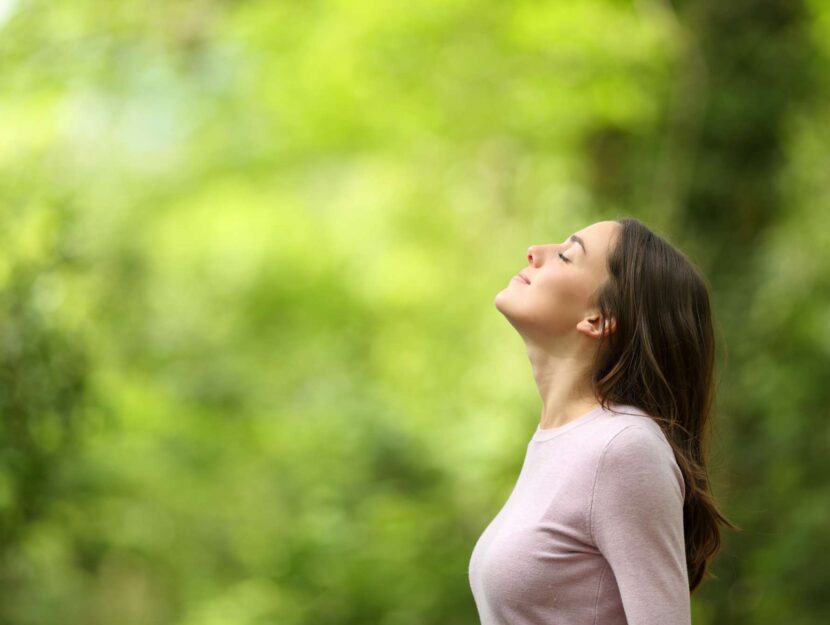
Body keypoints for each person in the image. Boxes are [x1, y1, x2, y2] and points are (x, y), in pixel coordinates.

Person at [468, 218, 740, 625]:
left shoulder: (623, 448)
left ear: (599, 318)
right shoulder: (561, 442)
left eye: (565, 255)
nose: (533, 252)